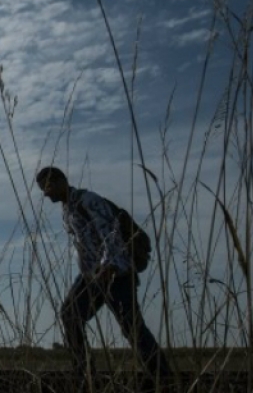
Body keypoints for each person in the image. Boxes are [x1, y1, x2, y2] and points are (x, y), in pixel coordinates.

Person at [36, 166, 172, 393]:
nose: (46, 193)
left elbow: (111, 232)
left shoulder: (88, 200)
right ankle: (85, 374)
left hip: (115, 273)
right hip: (92, 276)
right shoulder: (67, 210)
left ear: (61, 181)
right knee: (70, 315)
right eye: (42, 189)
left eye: (48, 186)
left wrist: (108, 266)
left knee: (132, 327)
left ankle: (162, 377)